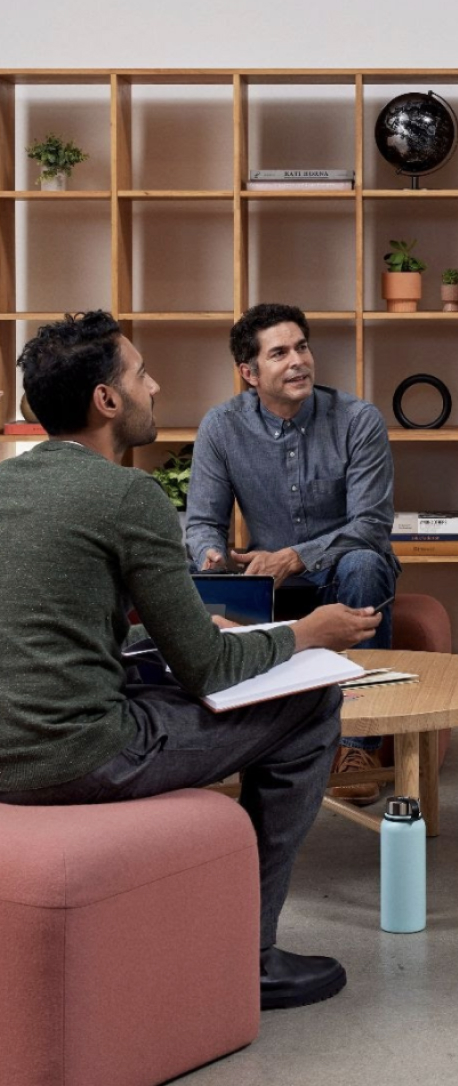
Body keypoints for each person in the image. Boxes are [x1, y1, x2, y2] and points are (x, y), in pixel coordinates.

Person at [0, 312, 381, 1009]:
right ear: (106, 401)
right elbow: (207, 668)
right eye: (140, 373)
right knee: (310, 703)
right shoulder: (127, 494)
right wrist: (309, 632)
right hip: (80, 755)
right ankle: (251, 955)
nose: (155, 384)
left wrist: (162, 621)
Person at [185, 304, 398, 804]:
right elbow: (202, 524)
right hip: (266, 585)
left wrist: (295, 557)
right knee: (197, 574)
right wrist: (212, 557)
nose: (298, 361)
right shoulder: (221, 428)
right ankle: (231, 734)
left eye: (302, 346)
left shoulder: (357, 420)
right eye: (279, 353)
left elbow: (371, 526)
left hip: (341, 577)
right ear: (249, 373)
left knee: (365, 563)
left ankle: (358, 744)